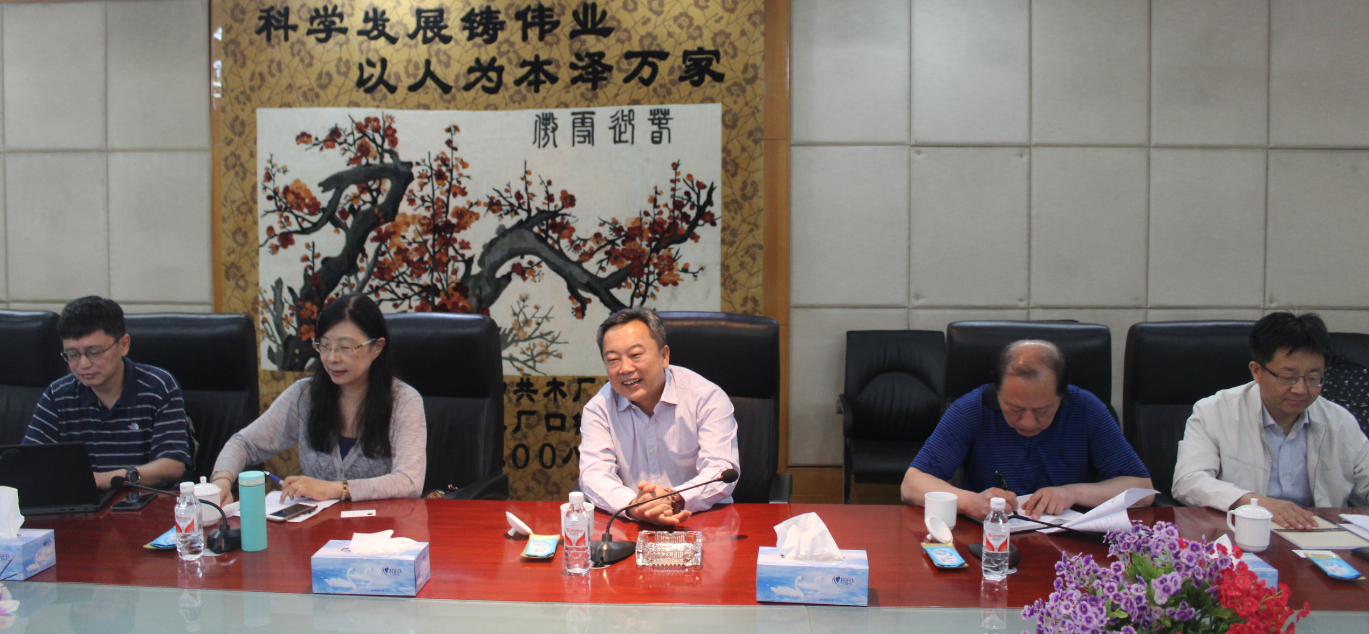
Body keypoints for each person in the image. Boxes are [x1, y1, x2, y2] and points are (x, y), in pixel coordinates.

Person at [901, 340, 1154, 520]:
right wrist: (970, 502)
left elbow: (1142, 490)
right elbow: (912, 484)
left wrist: (1072, 493)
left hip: (1068, 546)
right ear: (997, 391)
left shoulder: (1086, 408)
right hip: (990, 541)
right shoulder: (972, 408)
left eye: (1042, 410)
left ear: (1061, 395)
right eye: (1015, 409)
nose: (1028, 423)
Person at [211, 294, 425, 504]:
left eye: (344, 347)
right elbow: (244, 443)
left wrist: (334, 489)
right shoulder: (304, 396)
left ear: (376, 347)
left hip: (382, 525)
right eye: (324, 346)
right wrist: (221, 482)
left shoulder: (404, 401)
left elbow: (409, 482)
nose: (332, 358)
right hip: (318, 524)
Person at [1172, 312, 1369, 528]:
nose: (1300, 389)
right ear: (1257, 371)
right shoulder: (1214, 412)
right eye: (1288, 377)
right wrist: (1256, 503)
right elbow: (1188, 481)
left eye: (1313, 378)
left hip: (1320, 534)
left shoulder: (1340, 421)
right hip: (1242, 531)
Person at [578, 307, 739, 525]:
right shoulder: (598, 409)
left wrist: (673, 499)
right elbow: (593, 474)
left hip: (703, 522)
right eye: (613, 359)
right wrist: (634, 506)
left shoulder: (706, 398)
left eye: (636, 355)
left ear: (664, 356)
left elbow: (721, 471)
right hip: (633, 526)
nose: (625, 369)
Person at [23, 296, 192, 490]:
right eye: (72, 354)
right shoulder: (58, 394)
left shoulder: (159, 386)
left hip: (147, 500)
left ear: (123, 345)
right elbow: (30, 463)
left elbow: (172, 465)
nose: (83, 364)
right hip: (82, 503)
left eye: (94, 352)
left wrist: (108, 479)